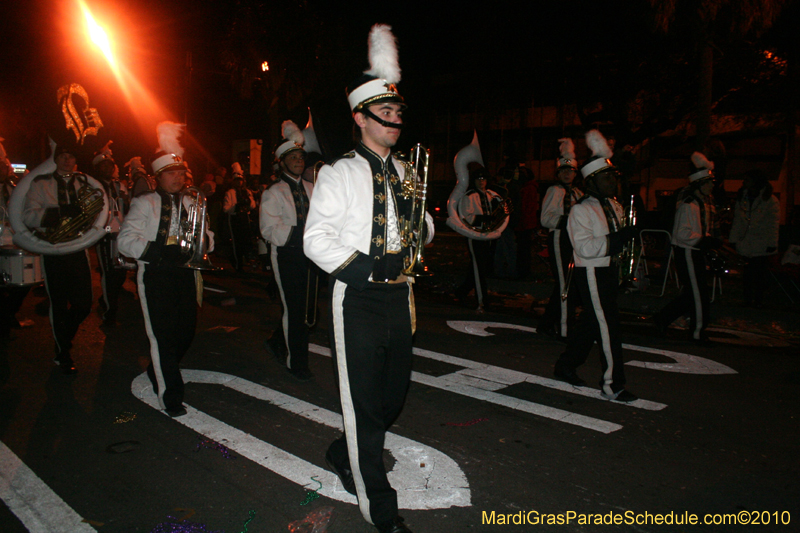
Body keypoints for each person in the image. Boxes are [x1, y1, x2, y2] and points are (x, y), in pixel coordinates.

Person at [304, 24, 432, 533]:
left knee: (390, 398)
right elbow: (316, 239)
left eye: (399, 111)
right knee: (362, 405)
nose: (396, 119)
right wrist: (366, 266)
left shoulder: (407, 172)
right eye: (387, 111)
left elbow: (422, 226)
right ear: (361, 116)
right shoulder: (339, 173)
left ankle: (345, 450)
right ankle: (379, 510)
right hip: (356, 298)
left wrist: (419, 227)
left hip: (400, 298)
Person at [118, 122, 214, 417]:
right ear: (158, 177)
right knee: (162, 336)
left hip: (185, 273)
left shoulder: (192, 201)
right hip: (156, 274)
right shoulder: (145, 202)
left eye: (181, 172)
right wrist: (157, 251)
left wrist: (203, 242)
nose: (178, 177)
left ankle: (158, 369)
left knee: (186, 333)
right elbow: (125, 240)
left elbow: (208, 237)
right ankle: (170, 396)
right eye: (171, 173)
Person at [553, 130, 638, 403]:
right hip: (591, 272)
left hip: (609, 270)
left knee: (592, 323)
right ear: (591, 181)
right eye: (606, 178)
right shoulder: (581, 210)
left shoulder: (614, 205)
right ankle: (613, 385)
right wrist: (618, 240)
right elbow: (585, 249)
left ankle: (566, 365)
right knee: (608, 327)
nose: (612, 182)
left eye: (613, 177)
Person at [21, 144, 98, 374]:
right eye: (62, 156)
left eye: (70, 156)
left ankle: (64, 337)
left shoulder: (84, 183)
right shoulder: (40, 183)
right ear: (56, 159)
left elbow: (96, 213)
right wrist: (60, 213)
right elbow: (28, 216)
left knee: (84, 304)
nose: (66, 160)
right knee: (59, 303)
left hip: (77, 248)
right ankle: (62, 352)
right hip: (52, 249)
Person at [259, 121, 315, 380]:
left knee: (308, 311)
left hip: (312, 257)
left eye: (301, 157)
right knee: (295, 310)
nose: (298, 161)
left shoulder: (312, 188)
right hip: (287, 256)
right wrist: (305, 233)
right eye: (293, 158)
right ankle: (297, 363)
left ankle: (277, 341)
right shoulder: (274, 192)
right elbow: (269, 230)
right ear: (282, 162)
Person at [652, 152, 722, 344]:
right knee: (698, 295)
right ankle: (696, 333)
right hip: (688, 252)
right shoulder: (689, 205)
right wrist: (703, 240)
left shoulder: (700, 204)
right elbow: (682, 233)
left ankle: (662, 319)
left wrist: (709, 241)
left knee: (694, 294)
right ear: (699, 185)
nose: (712, 186)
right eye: (708, 183)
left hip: (694, 251)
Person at [539, 138, 583, 341]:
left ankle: (547, 323)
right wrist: (569, 220)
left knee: (567, 285)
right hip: (559, 238)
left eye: (571, 171)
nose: (567, 174)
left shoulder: (578, 193)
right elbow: (545, 218)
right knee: (565, 285)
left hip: (574, 240)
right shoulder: (554, 191)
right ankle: (565, 329)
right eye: (564, 171)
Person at [454, 165, 505, 312]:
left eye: (483, 179)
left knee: (478, 267)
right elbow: (466, 217)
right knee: (478, 270)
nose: (481, 181)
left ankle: (461, 292)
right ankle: (482, 301)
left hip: (487, 235)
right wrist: (485, 219)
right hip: (474, 235)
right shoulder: (469, 196)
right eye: (478, 179)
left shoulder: (490, 196)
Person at [728, 169, 779, 308]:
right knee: (747, 274)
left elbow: (773, 224)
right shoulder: (742, 198)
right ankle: (748, 299)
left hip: (761, 243)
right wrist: (733, 239)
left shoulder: (770, 200)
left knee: (759, 274)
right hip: (746, 242)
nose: (743, 182)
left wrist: (772, 243)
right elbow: (737, 221)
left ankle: (758, 300)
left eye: (747, 180)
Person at [92, 141, 129, 326]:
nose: (107, 168)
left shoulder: (118, 185)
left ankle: (106, 300)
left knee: (120, 272)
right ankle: (109, 313)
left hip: (119, 233)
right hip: (103, 234)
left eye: (110, 165)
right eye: (103, 165)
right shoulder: (92, 185)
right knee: (109, 273)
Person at [0, 140, 31, 340]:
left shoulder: (12, 189)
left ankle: (8, 313)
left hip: (11, 242)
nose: (2, 170)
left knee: (22, 282)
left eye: (4, 166)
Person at [223, 163, 256, 272]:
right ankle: (238, 265)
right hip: (235, 219)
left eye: (240, 180)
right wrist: (236, 206)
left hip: (245, 218)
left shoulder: (247, 192)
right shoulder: (230, 193)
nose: (239, 183)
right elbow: (226, 209)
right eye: (237, 181)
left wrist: (248, 202)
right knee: (236, 243)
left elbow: (253, 206)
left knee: (247, 241)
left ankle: (248, 262)